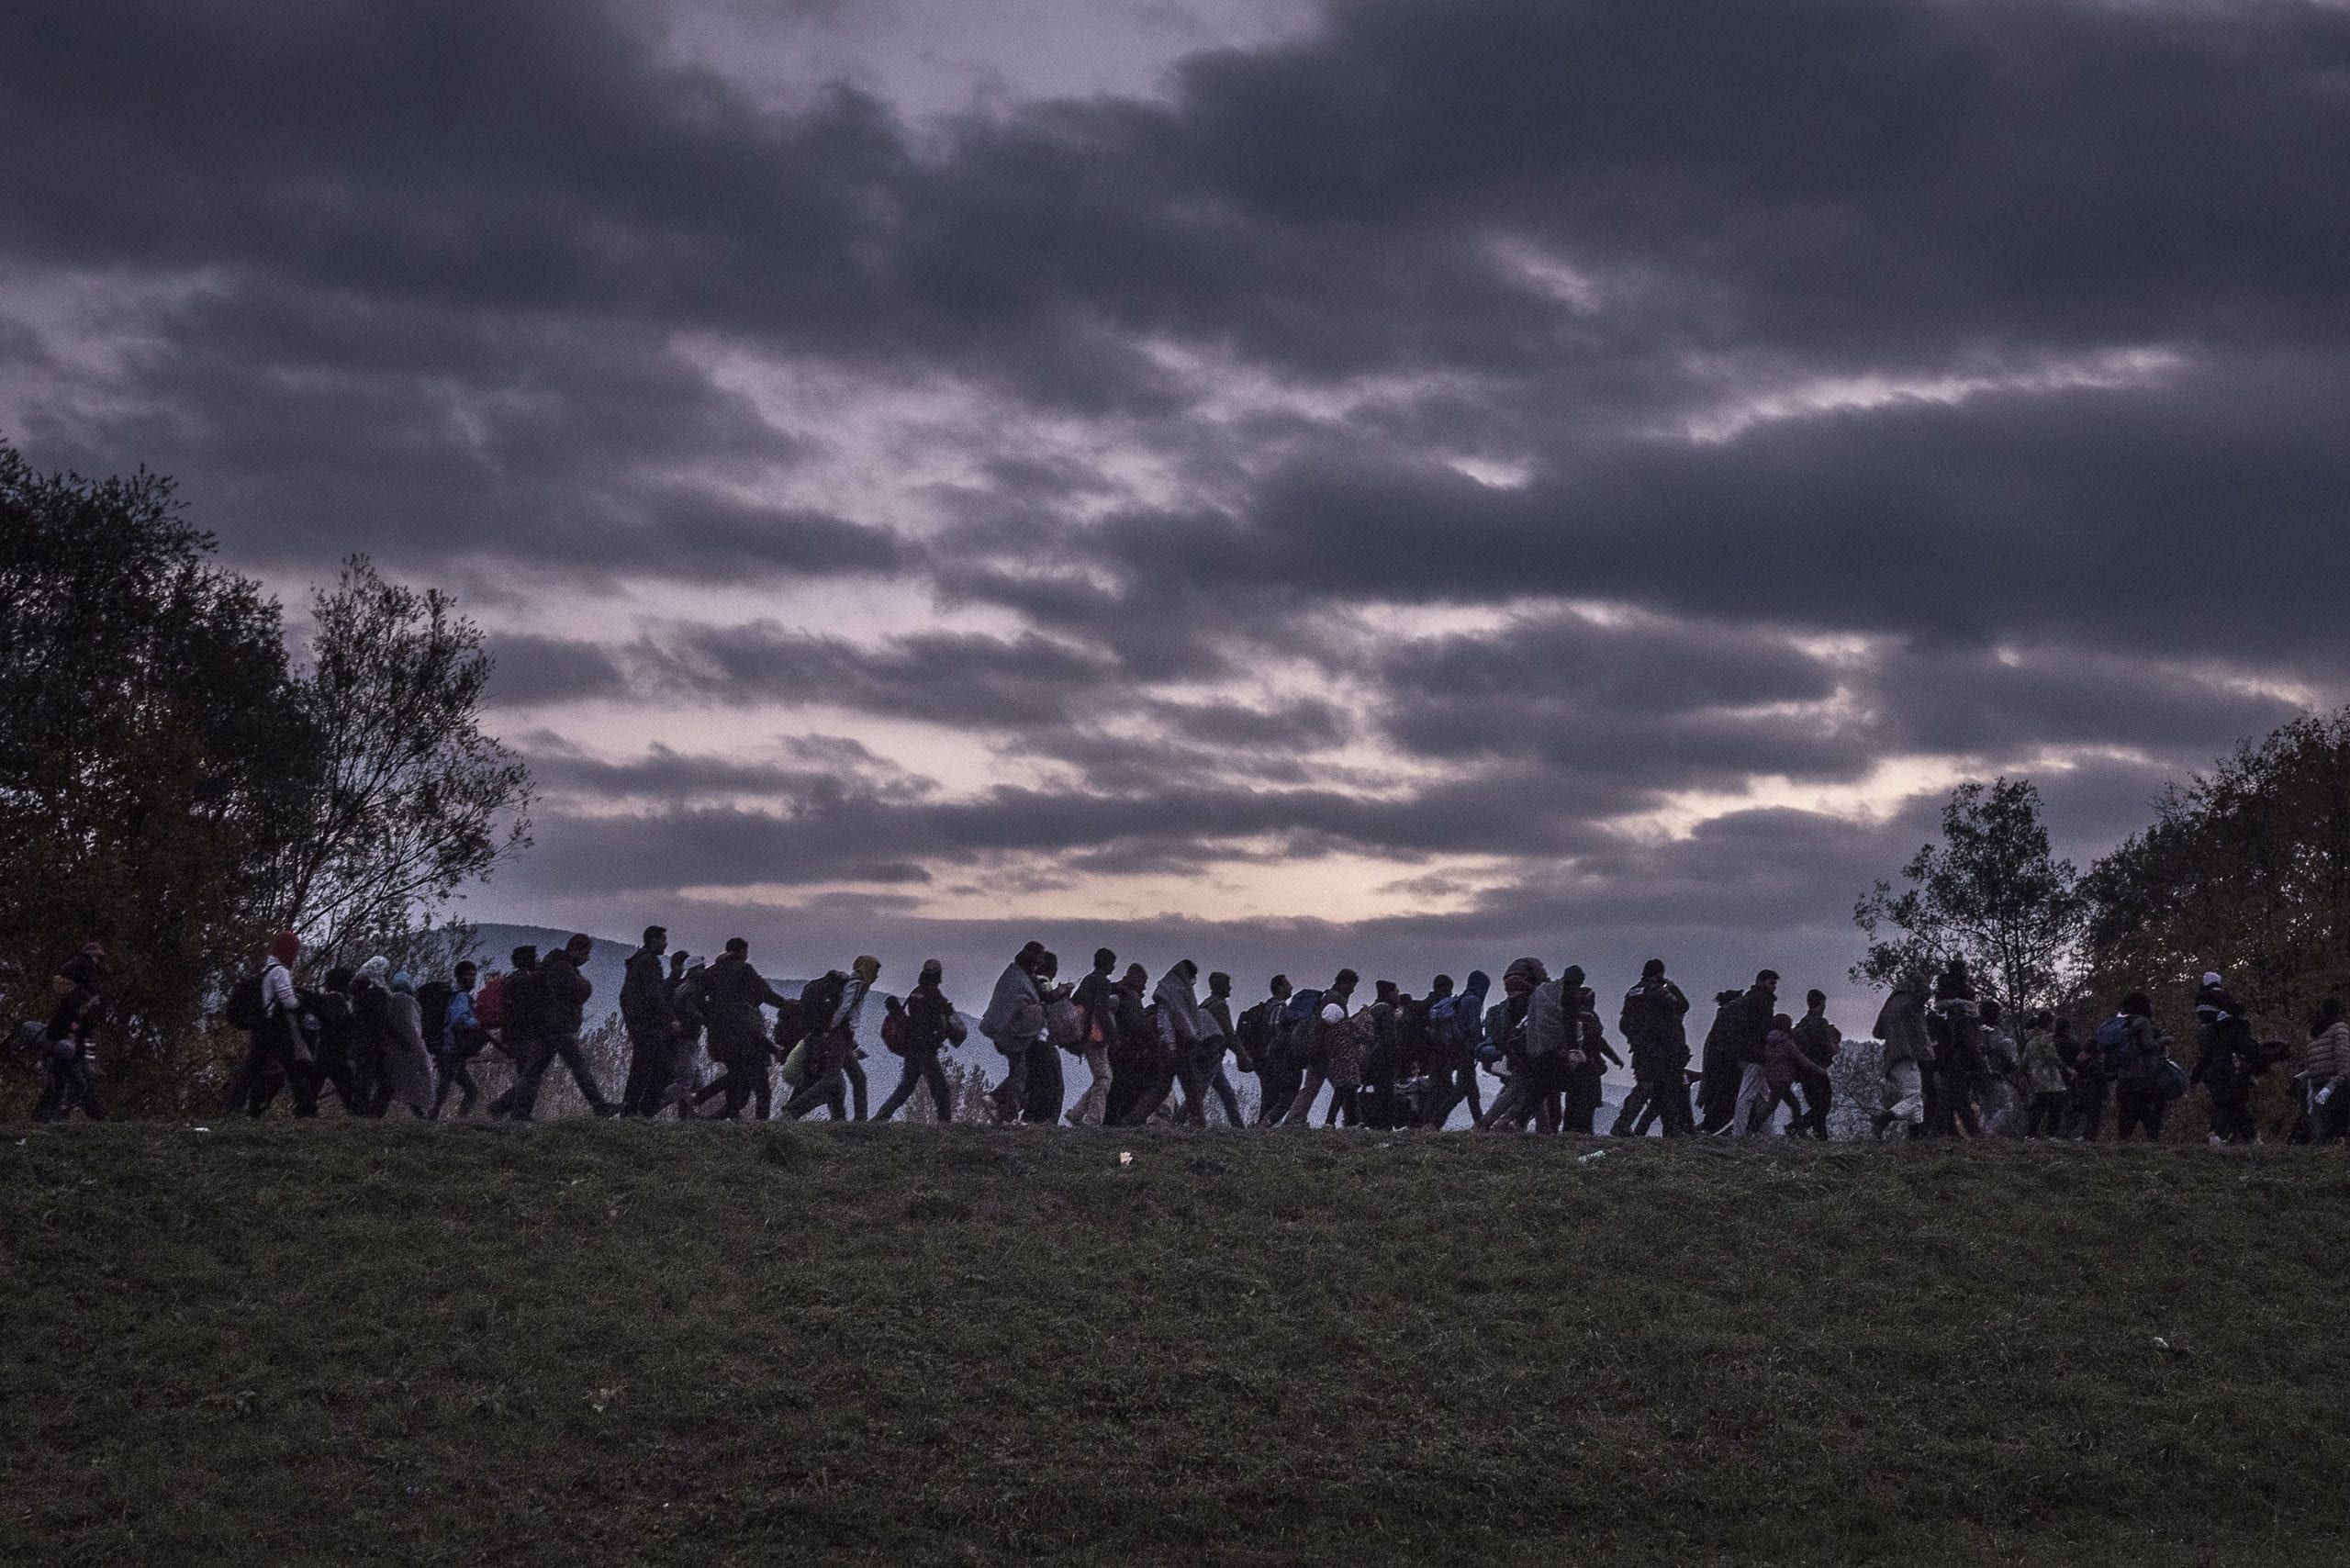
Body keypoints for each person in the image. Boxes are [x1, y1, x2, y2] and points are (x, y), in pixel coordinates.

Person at [497, 935, 615, 1120]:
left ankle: (511, 1110)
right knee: (579, 1067)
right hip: (559, 1027)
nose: (587, 958)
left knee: (532, 1072)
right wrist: (587, 985)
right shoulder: (563, 967)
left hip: (546, 1028)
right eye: (585, 953)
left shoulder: (553, 965)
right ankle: (599, 1106)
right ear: (575, 949)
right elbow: (579, 991)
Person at [688, 938, 793, 1119]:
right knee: (753, 1085)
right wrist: (785, 1005)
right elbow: (765, 993)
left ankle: (711, 1112)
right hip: (742, 1037)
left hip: (718, 1038)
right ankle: (701, 1099)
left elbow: (697, 1000)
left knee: (736, 1078)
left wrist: (712, 1017)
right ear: (742, 952)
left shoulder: (711, 972)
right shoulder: (744, 971)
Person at [787, 956, 878, 1120]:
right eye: (875, 969)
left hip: (843, 1037)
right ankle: (792, 1110)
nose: (877, 974)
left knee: (857, 1078)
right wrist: (831, 1028)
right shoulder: (856, 984)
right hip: (838, 1036)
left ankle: (858, 1121)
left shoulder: (854, 984)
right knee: (831, 1079)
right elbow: (844, 1009)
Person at [240, 930, 319, 1118]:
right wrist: (304, 1005)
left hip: (263, 1027)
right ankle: (307, 1109)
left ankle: (241, 1107)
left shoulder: (267, 969)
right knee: (293, 1068)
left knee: (253, 1069)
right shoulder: (280, 971)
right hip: (276, 1028)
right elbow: (288, 1001)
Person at [1614, 960, 1693, 1137]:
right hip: (1660, 1048)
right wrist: (1673, 987)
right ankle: (1668, 1129)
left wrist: (1635, 1041)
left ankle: (1667, 1129)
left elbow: (1624, 1023)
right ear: (1659, 974)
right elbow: (1682, 1005)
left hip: (1641, 1049)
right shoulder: (1657, 991)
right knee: (1658, 1088)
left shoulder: (1632, 992)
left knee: (1653, 1088)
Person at [876, 959, 959, 1122]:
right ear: (937, 974)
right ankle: (945, 1125)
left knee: (905, 1087)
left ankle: (880, 1118)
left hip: (911, 1047)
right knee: (940, 1089)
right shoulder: (933, 994)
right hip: (925, 1049)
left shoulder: (916, 992)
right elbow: (942, 1017)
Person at [34, 944, 106, 1122]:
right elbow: (74, 1021)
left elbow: (60, 1026)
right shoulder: (80, 993)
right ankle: (59, 1118)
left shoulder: (71, 994)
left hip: (65, 1047)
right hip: (69, 1047)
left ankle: (46, 1118)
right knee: (79, 1084)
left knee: (62, 1084)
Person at [1282, 969, 1362, 1127]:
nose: (1352, 990)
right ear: (1343, 983)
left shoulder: (1328, 997)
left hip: (1318, 1050)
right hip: (1328, 1053)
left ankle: (1293, 1120)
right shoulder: (1336, 1000)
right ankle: (1351, 1121)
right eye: (1351, 985)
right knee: (1345, 1086)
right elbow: (1338, 1027)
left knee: (1313, 1088)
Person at [980, 942, 1046, 1125]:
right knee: (1019, 1074)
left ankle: (1003, 1111)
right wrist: (1040, 1011)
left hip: (1001, 1029)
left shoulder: (1016, 975)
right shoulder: (1020, 979)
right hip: (1009, 1032)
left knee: (1019, 1072)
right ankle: (1006, 1112)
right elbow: (1019, 1008)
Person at [2191, 973, 2259, 1146]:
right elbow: (2248, 1049)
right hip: (2231, 1069)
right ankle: (2223, 1135)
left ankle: (2248, 1137)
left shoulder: (2201, 1001)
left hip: (2214, 1067)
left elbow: (2205, 1056)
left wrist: (2196, 1074)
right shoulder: (2233, 1025)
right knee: (2232, 1102)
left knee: (2230, 1103)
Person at [619, 926, 677, 1118]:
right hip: (648, 1025)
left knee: (641, 1068)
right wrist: (670, 1019)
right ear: (654, 940)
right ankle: (645, 1109)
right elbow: (655, 996)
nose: (666, 943)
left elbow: (626, 996)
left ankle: (630, 1110)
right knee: (665, 1068)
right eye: (663, 940)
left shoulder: (637, 963)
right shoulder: (650, 963)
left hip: (638, 1024)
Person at [1423, 970, 1490, 1128]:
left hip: (1456, 1050)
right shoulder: (1473, 1001)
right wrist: (1482, 1046)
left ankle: (1481, 1124)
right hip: (1467, 1051)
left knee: (1471, 1090)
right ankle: (1434, 1122)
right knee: (1461, 1092)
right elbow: (1473, 1027)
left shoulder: (1460, 1000)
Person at [1871, 968, 1931, 1139]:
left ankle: (1916, 1137)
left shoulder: (1890, 1004)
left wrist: (1895, 1029)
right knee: (1914, 1097)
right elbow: (1926, 993)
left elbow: (1877, 1032)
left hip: (1891, 1057)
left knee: (1914, 1099)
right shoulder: (1912, 1000)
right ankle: (1883, 1119)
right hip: (1906, 1053)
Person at [1153, 959, 1213, 1126]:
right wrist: (1192, 1038)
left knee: (1163, 1089)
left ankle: (1133, 1120)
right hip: (1178, 1047)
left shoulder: (1168, 989)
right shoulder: (1176, 992)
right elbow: (1178, 1020)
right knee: (1192, 1089)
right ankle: (1199, 1124)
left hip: (1172, 1046)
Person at [1066, 948, 1121, 1127]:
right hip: (1096, 1037)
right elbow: (1101, 1011)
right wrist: (1112, 1035)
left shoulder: (1088, 981)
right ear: (1105, 963)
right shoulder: (1102, 983)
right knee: (1104, 1078)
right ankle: (1092, 1120)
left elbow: (1077, 1002)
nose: (1113, 967)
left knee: (1101, 1077)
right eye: (1112, 963)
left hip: (1084, 1035)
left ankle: (1077, 1113)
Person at [2105, 992, 2169, 1141]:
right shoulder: (2144, 1023)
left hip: (2123, 1077)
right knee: (2150, 1116)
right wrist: (2162, 1041)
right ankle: (2153, 1146)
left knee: (2126, 1118)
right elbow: (2148, 1045)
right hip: (2142, 1076)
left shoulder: (2122, 1023)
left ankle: (2121, 1148)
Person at [1930, 958, 1983, 1137]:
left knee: (1953, 1097)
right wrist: (1980, 1063)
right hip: (1957, 1056)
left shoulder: (1951, 990)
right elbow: (1969, 1042)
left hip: (1952, 1055)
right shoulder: (1962, 1018)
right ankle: (1972, 1134)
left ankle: (1942, 1133)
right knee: (1954, 1098)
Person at [1560, 985, 1621, 1135]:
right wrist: (1610, 1058)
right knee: (1588, 1097)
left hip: (1572, 1062)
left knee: (1573, 1096)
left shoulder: (1570, 1015)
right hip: (1588, 1062)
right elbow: (1597, 1041)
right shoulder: (1589, 1017)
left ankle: (1569, 1128)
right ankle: (1583, 1129)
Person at [1727, 970, 1780, 1137]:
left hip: (1745, 1053)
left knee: (1763, 1096)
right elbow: (1764, 1030)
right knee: (1748, 1095)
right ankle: (1739, 1133)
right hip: (1755, 1055)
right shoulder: (1763, 1001)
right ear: (1761, 982)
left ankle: (1767, 1132)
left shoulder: (1749, 999)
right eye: (1771, 983)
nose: (1774, 987)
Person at [379, 969, 438, 1117]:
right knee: (413, 1082)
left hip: (392, 1048)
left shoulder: (389, 1001)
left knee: (393, 1083)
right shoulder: (410, 1003)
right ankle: (422, 1113)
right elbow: (412, 1027)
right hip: (410, 1047)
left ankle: (376, 1114)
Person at [431, 961, 487, 1118]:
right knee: (450, 1087)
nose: (472, 978)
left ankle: (448, 1119)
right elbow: (458, 1019)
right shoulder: (461, 996)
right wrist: (477, 1024)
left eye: (474, 975)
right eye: (469, 975)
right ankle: (434, 1117)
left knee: (462, 1088)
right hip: (450, 1050)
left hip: (450, 1051)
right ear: (459, 976)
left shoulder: (455, 995)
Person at [1020, 952, 1067, 1125]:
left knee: (1038, 1081)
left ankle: (1033, 1118)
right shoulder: (1042, 982)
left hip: (1035, 1040)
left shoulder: (1031, 982)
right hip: (1040, 1040)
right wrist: (1063, 992)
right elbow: (1050, 997)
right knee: (1048, 1083)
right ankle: (1040, 1120)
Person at [1788, 990, 1841, 1140]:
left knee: (1817, 1105)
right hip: (1817, 1069)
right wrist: (1834, 1048)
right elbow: (1823, 1045)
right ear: (1821, 1003)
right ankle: (1795, 1128)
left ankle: (1821, 1137)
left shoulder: (1803, 1022)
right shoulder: (1820, 1022)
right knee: (1823, 1105)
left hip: (1804, 1070)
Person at [1249, 975, 1301, 1126]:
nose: (1291, 987)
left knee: (1269, 1095)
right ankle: (1267, 1121)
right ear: (1280, 988)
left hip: (1264, 1058)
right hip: (1274, 1057)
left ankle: (1261, 1126)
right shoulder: (1279, 1006)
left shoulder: (1268, 1005)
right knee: (1289, 1092)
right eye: (1288, 984)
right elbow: (1275, 1028)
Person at [1198, 971, 1246, 1126]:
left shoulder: (1206, 1003)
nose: (1230, 988)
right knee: (1200, 1093)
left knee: (1227, 1094)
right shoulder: (1219, 1005)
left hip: (1207, 1054)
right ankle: (1178, 1120)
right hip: (1212, 1055)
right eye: (1227, 984)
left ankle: (1239, 1128)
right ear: (1220, 986)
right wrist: (1243, 1056)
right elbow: (1229, 1034)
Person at [2304, 999, 2349, 1143]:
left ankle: (2320, 1141)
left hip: (2317, 1076)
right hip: (2333, 1076)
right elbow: (2342, 1051)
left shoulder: (2312, 1031)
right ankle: (2338, 1139)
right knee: (2340, 1109)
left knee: (2320, 1111)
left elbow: (2309, 1055)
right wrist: (2344, 1074)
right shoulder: (2339, 1028)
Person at [2020, 1010, 2069, 1137]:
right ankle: (2051, 1134)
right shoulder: (2046, 1038)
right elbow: (2052, 1056)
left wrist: (2029, 1077)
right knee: (2056, 1106)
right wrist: (2067, 1069)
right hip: (2051, 1077)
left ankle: (2031, 1134)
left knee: (2039, 1107)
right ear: (2048, 1023)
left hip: (2036, 1078)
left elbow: (2024, 1062)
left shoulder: (2030, 1041)